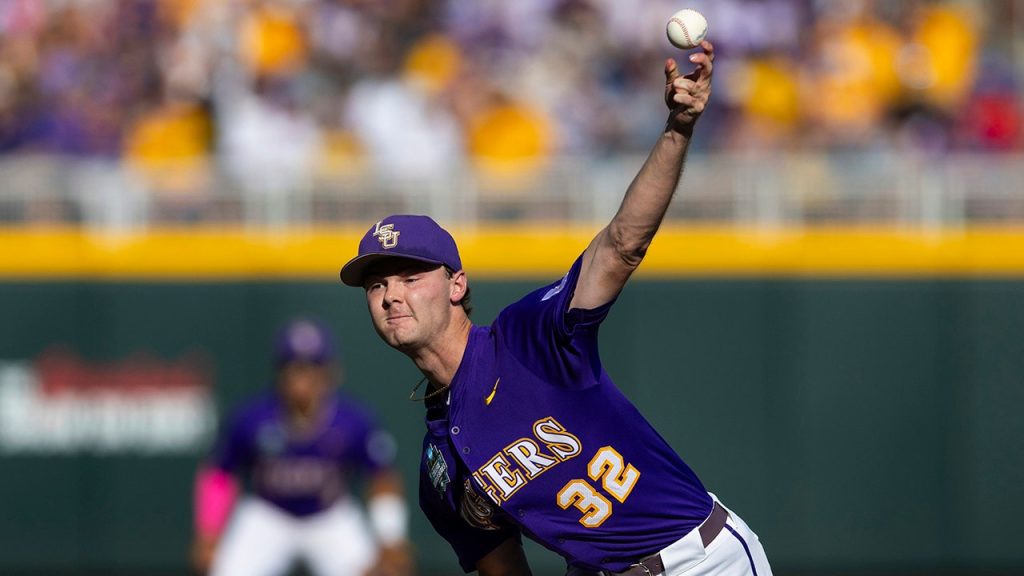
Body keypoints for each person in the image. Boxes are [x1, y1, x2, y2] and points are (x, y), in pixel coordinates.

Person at [339, 40, 772, 576]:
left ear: (456, 286)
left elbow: (620, 247)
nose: (391, 294)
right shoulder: (439, 470)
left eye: (410, 276)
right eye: (376, 285)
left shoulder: (525, 338)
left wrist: (677, 131)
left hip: (700, 560)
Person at [191, 319, 412, 576]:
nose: (301, 376)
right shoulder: (253, 418)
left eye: (311, 367)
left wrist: (390, 536)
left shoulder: (352, 420)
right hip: (269, 514)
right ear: (279, 372)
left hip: (330, 515)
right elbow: (220, 473)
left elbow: (382, 477)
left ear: (330, 372)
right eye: (293, 366)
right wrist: (208, 534)